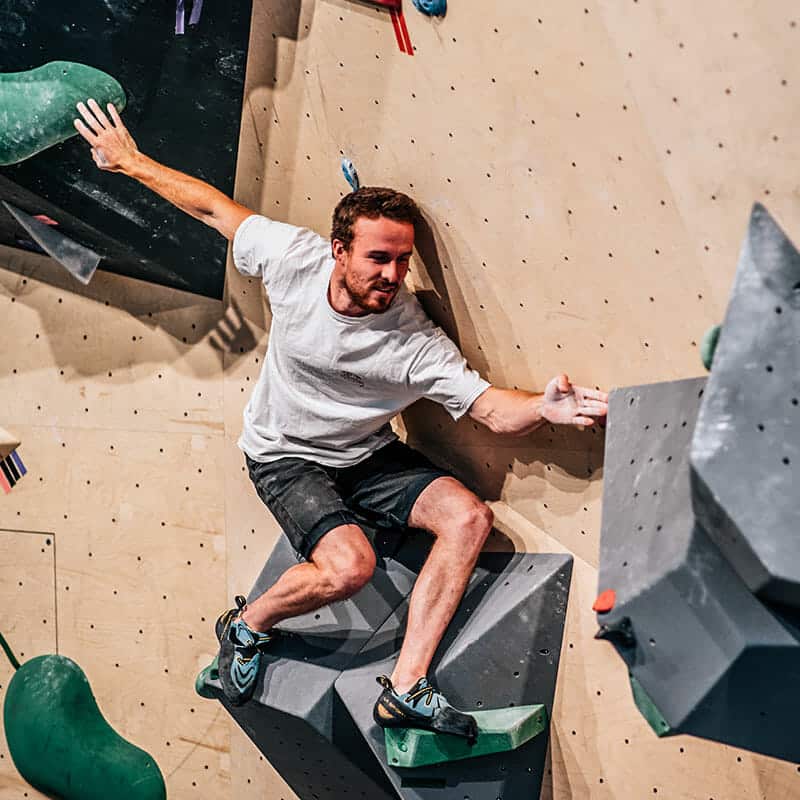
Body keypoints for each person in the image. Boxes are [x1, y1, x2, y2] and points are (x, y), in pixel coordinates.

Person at [74, 99, 608, 741]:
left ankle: (407, 689)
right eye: (379, 259)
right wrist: (129, 162)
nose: (393, 276)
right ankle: (246, 626)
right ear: (338, 251)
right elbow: (212, 208)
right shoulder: (292, 258)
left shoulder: (412, 338)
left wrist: (545, 410)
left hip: (364, 454)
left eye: (403, 261)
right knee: (346, 569)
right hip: (284, 455)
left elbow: (491, 408)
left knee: (468, 518)